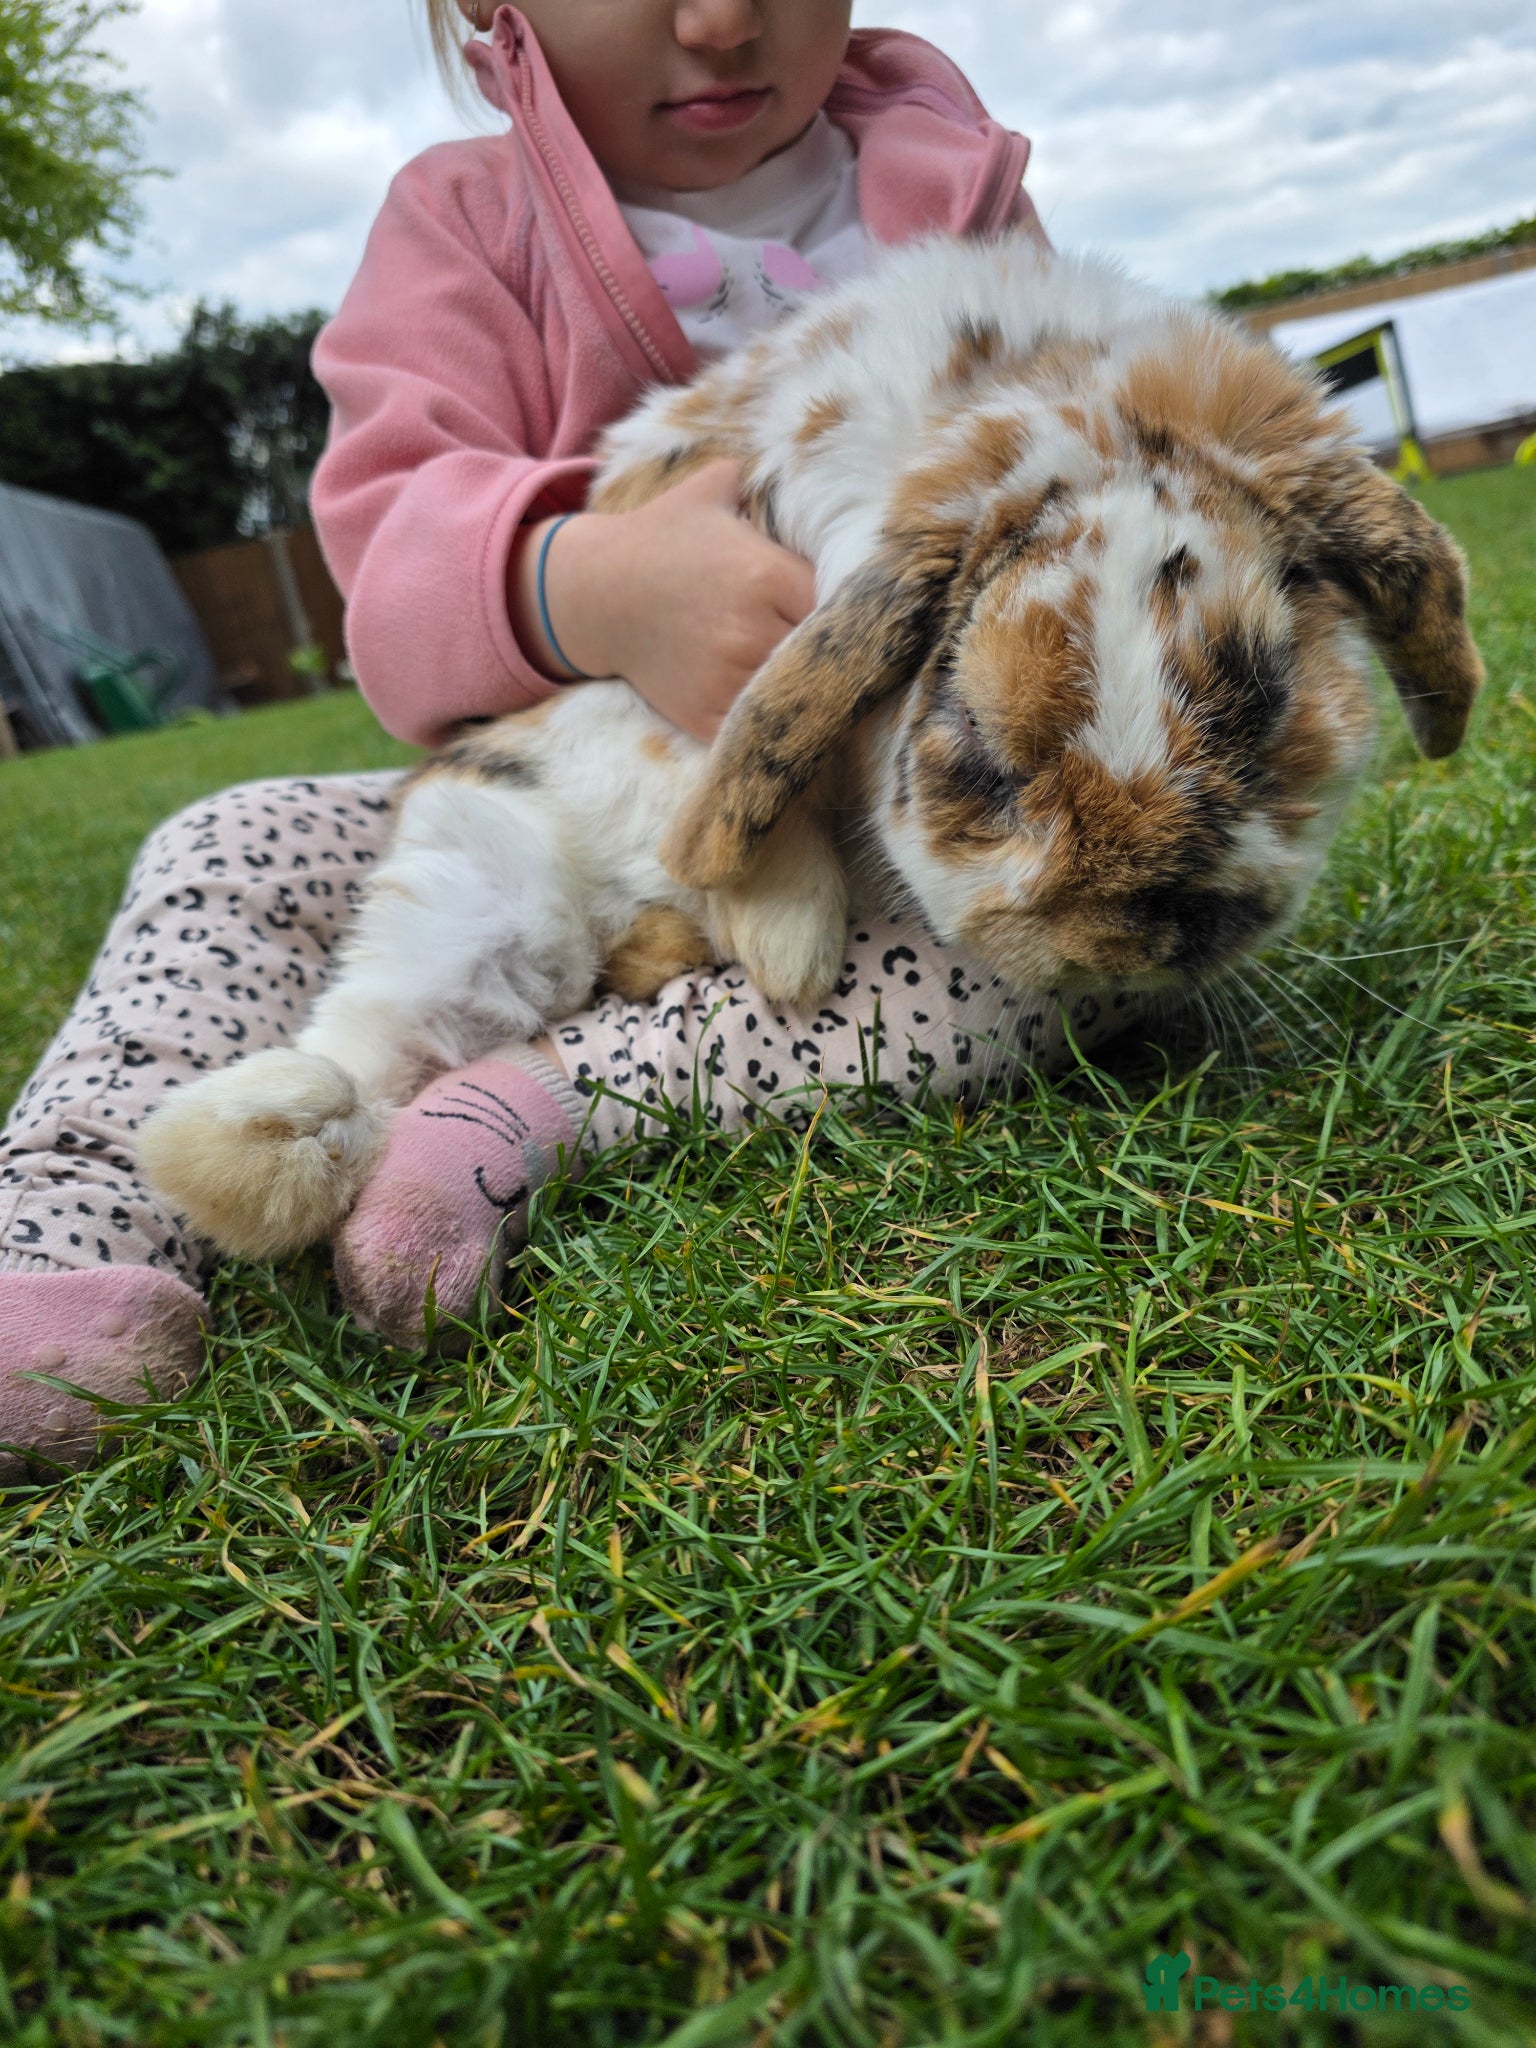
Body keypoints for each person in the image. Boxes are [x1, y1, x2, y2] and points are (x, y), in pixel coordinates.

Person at [0, 0, 1135, 1477]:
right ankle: (60, 1230)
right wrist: (586, 583)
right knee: (228, 839)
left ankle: (543, 1099)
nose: (720, 19)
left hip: (874, 854)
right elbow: (388, 557)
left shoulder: (961, 188)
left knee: (1080, 947)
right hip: (545, 798)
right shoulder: (462, 219)